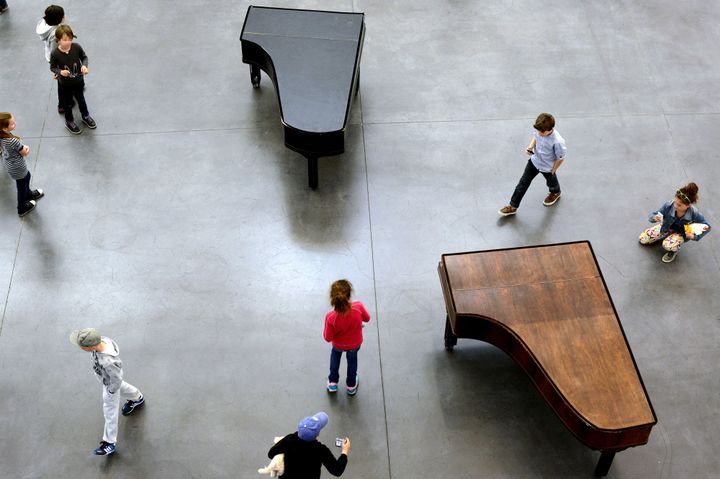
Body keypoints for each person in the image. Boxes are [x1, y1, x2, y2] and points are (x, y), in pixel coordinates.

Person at [69, 328, 145, 456]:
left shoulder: (108, 362)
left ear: (91, 346)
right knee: (123, 387)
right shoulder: (103, 341)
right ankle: (137, 397)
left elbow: (117, 379)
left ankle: (109, 443)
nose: (81, 348)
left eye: (82, 347)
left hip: (110, 384)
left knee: (109, 411)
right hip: (107, 378)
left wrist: (110, 391)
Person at [498, 112, 567, 216]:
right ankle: (513, 206)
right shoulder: (540, 130)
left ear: (550, 129)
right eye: (538, 130)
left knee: (551, 182)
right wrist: (530, 147)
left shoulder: (557, 141)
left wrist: (553, 170)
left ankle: (555, 193)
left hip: (547, 167)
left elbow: (561, 157)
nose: (539, 133)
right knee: (522, 184)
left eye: (542, 132)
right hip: (534, 162)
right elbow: (535, 137)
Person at [639, 182, 711, 263]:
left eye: (679, 205)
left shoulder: (694, 213)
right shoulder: (669, 205)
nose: (675, 206)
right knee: (642, 239)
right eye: (675, 202)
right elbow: (652, 215)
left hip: (682, 233)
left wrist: (694, 236)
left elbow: (707, 227)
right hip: (667, 227)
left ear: (688, 205)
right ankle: (666, 234)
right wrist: (654, 218)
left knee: (667, 245)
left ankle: (673, 251)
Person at [268, 412, 350, 479]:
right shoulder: (320, 450)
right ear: (317, 434)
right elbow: (337, 470)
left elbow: (271, 454)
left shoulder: (289, 440)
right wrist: (345, 451)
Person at [323, 279, 370, 395]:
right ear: (349, 295)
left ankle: (333, 383)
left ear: (332, 299)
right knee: (352, 361)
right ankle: (351, 386)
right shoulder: (358, 307)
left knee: (335, 358)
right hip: (355, 344)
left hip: (338, 345)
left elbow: (328, 338)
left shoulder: (330, 317)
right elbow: (367, 318)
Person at [49, 24, 96, 134]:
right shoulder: (55, 53)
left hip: (79, 81)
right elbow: (52, 67)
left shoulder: (76, 47)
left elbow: (84, 57)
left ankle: (85, 116)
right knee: (68, 103)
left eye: (70, 39)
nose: (68, 42)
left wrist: (84, 66)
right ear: (58, 40)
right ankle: (69, 121)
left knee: (81, 99)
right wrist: (60, 72)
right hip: (65, 84)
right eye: (65, 40)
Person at [1, 113, 44, 217]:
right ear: (4, 129)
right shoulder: (12, 141)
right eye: (12, 124)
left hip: (10, 164)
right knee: (21, 186)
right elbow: (24, 152)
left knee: (27, 176)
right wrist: (26, 147)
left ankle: (28, 193)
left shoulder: (2, 136)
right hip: (17, 167)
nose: (15, 124)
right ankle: (22, 208)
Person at [36, 5, 70, 114]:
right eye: (62, 15)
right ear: (60, 18)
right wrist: (57, 69)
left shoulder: (45, 25)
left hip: (50, 56)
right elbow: (57, 52)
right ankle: (63, 104)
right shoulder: (56, 34)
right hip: (60, 60)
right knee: (63, 81)